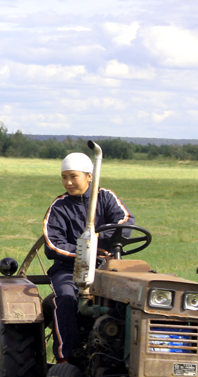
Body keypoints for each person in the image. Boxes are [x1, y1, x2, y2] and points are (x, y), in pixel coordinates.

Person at [43, 152, 134, 363]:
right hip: (70, 269)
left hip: (107, 266)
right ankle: (67, 357)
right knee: (66, 297)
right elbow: (53, 244)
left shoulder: (106, 197)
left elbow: (125, 221)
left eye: (73, 176)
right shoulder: (59, 207)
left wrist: (100, 238)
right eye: (64, 177)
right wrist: (84, 250)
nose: (68, 182)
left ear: (89, 176)